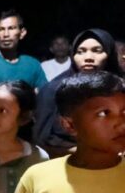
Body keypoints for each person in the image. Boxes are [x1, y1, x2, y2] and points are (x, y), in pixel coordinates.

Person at [33, 28, 121, 157]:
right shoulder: (54, 90)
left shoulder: (119, 89)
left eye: (97, 51)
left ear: (109, 53)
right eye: (81, 52)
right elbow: (42, 138)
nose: (88, 57)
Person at [0, 10, 47, 91]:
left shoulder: (33, 64)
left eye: (11, 28)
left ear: (22, 33)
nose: (6, 34)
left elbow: (44, 95)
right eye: (1, 29)